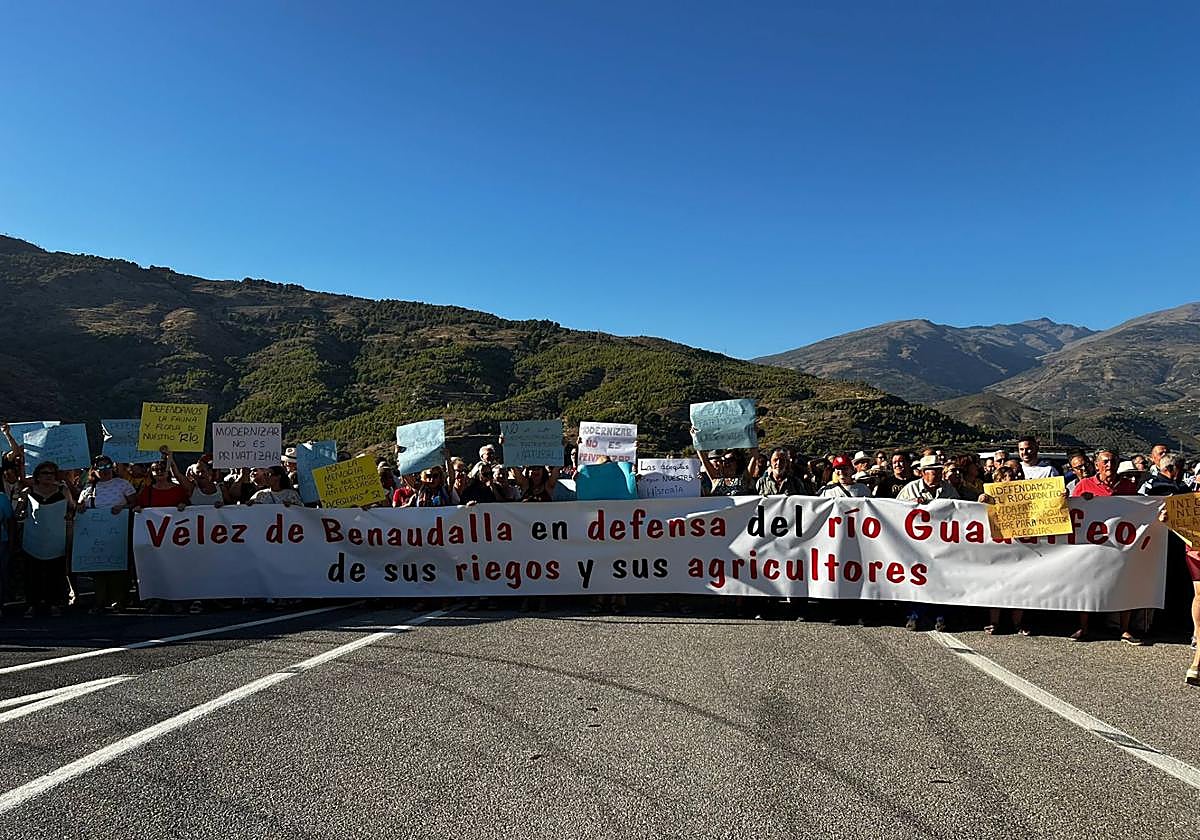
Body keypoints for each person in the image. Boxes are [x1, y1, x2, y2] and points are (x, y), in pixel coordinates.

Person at [1070, 450, 1140, 643]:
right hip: (1092, 545)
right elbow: (1073, 511)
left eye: (1114, 461)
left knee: (1125, 583)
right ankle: (1084, 627)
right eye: (1106, 461)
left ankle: (1124, 629)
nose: (1110, 465)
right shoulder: (1084, 485)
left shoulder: (1128, 486)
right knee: (1086, 585)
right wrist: (1080, 501)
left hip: (1119, 544)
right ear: (1097, 465)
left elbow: (1139, 510)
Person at [76, 454, 139, 612]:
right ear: (94, 470)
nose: (105, 470)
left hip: (119, 532)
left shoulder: (123, 484)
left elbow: (135, 503)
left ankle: (119, 600)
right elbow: (79, 506)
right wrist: (81, 507)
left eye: (108, 466)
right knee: (98, 568)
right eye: (101, 467)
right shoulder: (89, 488)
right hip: (95, 535)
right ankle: (99, 601)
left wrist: (122, 508)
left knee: (118, 568)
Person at [14, 461, 73, 617]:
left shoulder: (63, 490)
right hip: (34, 539)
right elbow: (18, 512)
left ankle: (54, 604)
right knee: (32, 574)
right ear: (37, 476)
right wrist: (21, 512)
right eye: (45, 473)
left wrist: (69, 514)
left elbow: (72, 508)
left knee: (55, 573)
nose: (49, 476)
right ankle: (32, 604)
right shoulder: (28, 491)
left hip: (56, 540)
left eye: (52, 473)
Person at [978, 465, 1029, 635]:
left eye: (1013, 477)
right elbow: (973, 513)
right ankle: (994, 622)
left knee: (1020, 585)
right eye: (1007, 477)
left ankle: (1017, 623)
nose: (1012, 480)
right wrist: (981, 500)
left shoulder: (1026, 495)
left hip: (1021, 547)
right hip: (997, 547)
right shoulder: (989, 497)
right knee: (997, 584)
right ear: (998, 481)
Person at [897, 455, 961, 504]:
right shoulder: (910, 489)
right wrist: (911, 503)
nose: (939, 475)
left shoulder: (949, 489)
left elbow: (958, 507)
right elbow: (898, 506)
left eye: (940, 471)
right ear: (923, 473)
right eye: (935, 472)